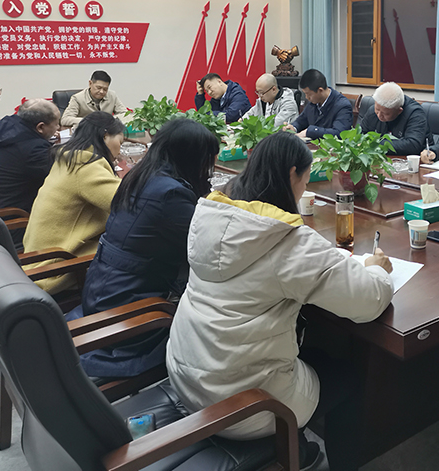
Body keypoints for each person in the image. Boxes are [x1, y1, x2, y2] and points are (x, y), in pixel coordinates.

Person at [166, 131, 394, 471]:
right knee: (349, 377)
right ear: (292, 174)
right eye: (305, 179)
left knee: (314, 353)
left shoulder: (213, 214)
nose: (304, 189)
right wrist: (376, 269)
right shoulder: (287, 239)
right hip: (244, 406)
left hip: (188, 378)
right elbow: (368, 302)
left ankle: (296, 445)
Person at [68, 117, 220, 380]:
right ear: (192, 157)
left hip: (102, 291)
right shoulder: (170, 194)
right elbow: (207, 245)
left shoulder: (141, 176)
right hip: (132, 310)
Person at [23, 112, 124, 295]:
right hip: (55, 270)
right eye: (120, 142)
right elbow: (129, 204)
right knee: (138, 251)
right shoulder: (85, 166)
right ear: (105, 136)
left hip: (38, 258)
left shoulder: (69, 158)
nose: (120, 149)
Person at [0, 99, 60, 214]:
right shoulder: (33, 148)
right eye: (56, 124)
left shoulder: (4, 126)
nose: (58, 127)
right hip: (8, 215)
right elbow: (60, 176)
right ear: (40, 127)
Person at [359, 82, 430, 155]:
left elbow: (412, 145)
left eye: (386, 113)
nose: (379, 115)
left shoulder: (415, 114)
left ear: (399, 111)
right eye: (377, 109)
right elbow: (360, 134)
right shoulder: (372, 111)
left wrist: (375, 144)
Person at [283, 69, 353, 139]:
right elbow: (301, 121)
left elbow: (339, 133)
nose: (307, 97)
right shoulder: (313, 102)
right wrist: (293, 128)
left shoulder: (342, 106)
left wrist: (311, 131)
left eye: (309, 94)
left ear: (320, 90)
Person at [61, 70, 128, 128]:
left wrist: (109, 120)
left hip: (107, 133)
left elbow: (125, 114)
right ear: (90, 83)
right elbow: (65, 119)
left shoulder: (112, 96)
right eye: (98, 88)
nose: (101, 92)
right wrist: (89, 121)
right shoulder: (77, 98)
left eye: (105, 89)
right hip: (86, 133)